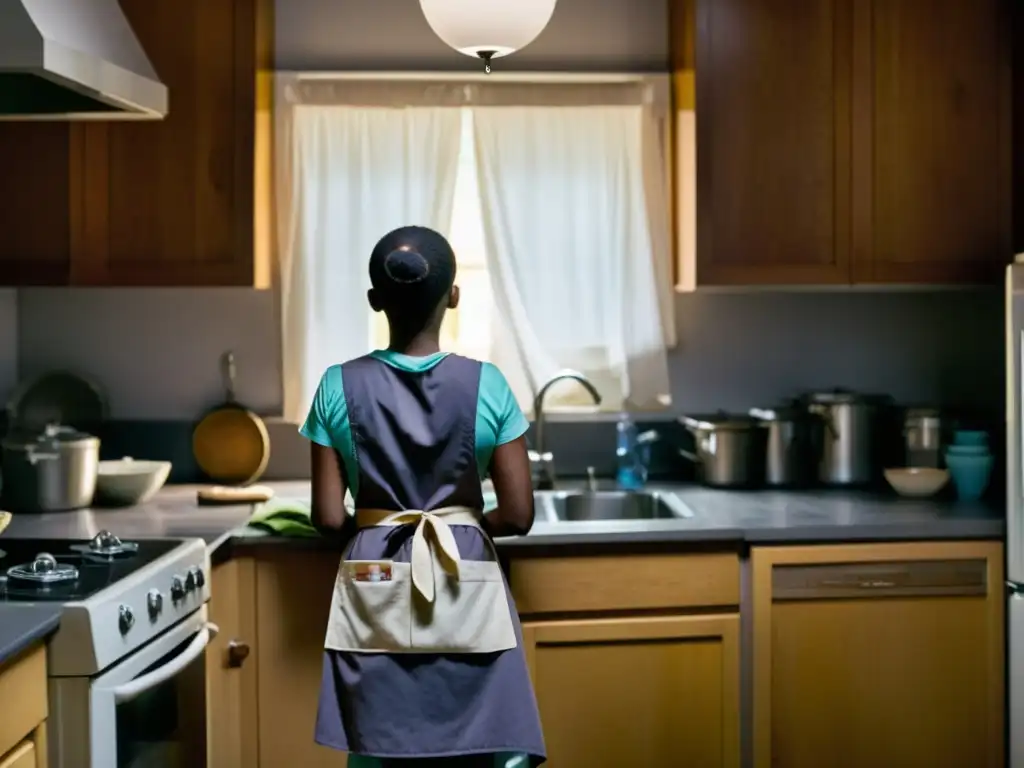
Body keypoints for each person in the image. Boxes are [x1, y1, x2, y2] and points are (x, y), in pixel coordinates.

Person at [299, 225, 547, 767]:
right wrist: (464, 525)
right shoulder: (489, 384)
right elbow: (520, 514)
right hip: (467, 572)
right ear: (452, 297)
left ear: (375, 301)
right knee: (483, 744)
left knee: (382, 743)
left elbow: (324, 515)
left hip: (374, 571)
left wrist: (377, 532)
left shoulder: (336, 384)